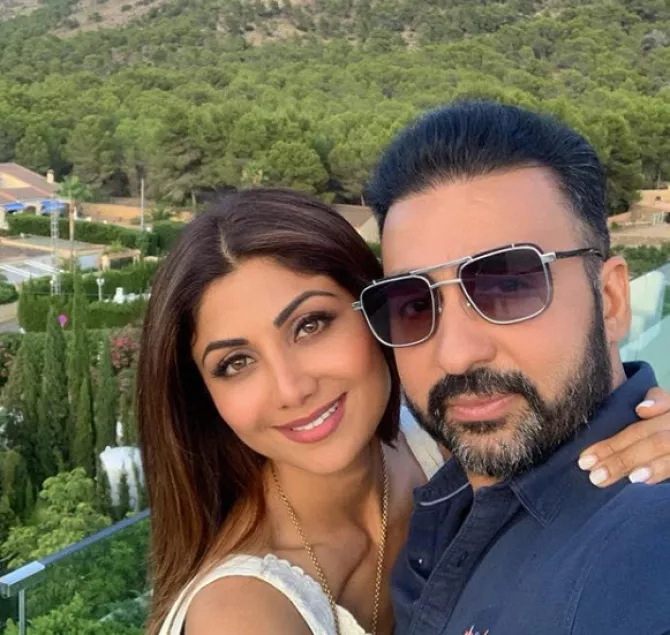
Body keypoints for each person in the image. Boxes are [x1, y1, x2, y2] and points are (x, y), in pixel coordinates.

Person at [137, 188, 670, 635]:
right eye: (236, 363)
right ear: (204, 396)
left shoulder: (448, 440)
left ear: (385, 312)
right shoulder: (241, 615)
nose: (291, 389)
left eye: (311, 325)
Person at [361, 100, 670, 635]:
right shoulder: (440, 504)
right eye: (413, 304)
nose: (456, 354)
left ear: (611, 300)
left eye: (508, 285)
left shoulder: (646, 542)